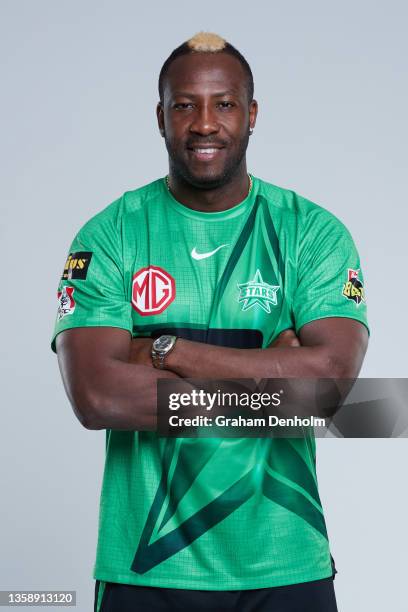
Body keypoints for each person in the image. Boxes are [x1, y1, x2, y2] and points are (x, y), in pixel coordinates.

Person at [52, 32, 369, 612]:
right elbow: (96, 396)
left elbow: (327, 391)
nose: (204, 123)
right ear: (160, 116)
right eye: (184, 105)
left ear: (251, 114)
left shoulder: (313, 233)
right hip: (146, 571)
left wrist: (164, 348)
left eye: (223, 104)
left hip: (285, 564)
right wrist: (273, 383)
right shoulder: (111, 234)